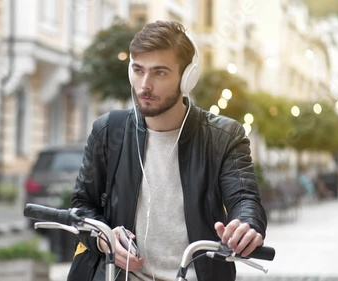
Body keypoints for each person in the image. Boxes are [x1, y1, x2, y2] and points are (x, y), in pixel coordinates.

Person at [71, 20, 267, 281]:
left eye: (159, 73)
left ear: (187, 78)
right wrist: (103, 240)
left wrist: (245, 225)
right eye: (138, 70)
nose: (144, 85)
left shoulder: (223, 136)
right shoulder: (108, 131)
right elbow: (83, 205)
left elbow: (244, 199)